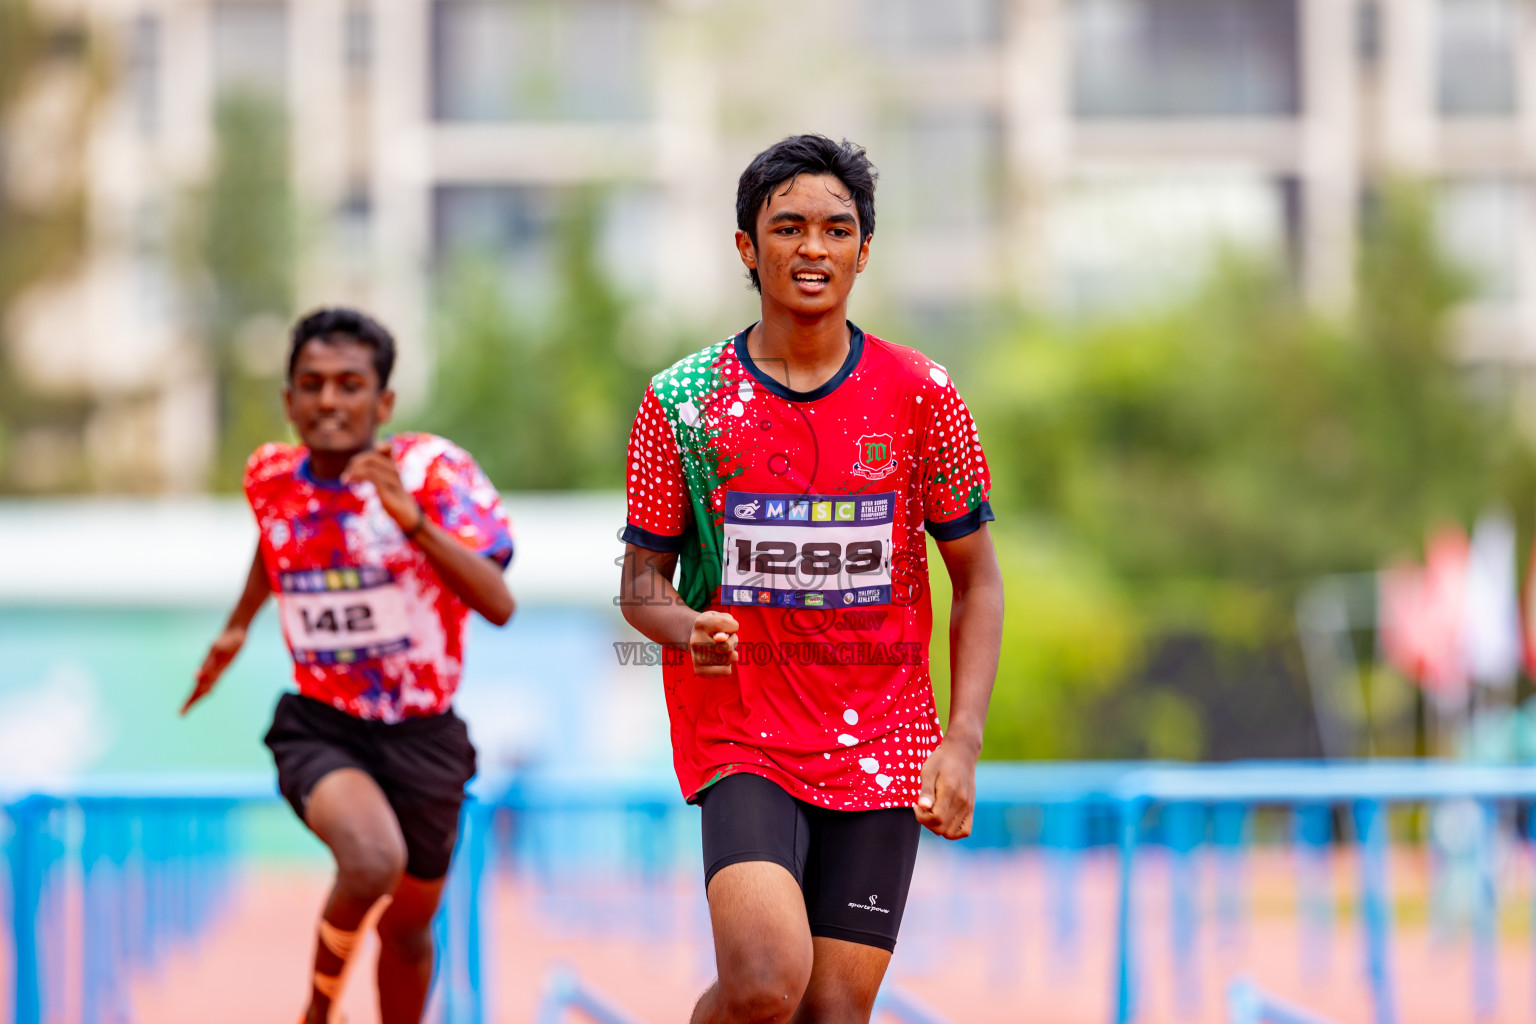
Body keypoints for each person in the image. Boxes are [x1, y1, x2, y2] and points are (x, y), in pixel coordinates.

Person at [618, 135, 1004, 1024]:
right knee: (763, 983)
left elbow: (978, 583)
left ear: (864, 250)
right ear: (748, 247)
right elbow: (642, 582)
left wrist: (964, 742)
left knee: (830, 1012)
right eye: (787, 226)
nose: (813, 248)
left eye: (836, 229)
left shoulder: (922, 395)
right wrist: (685, 627)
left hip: (884, 740)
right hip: (743, 730)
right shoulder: (684, 400)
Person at [183, 307, 515, 1024]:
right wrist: (237, 627)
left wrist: (412, 522)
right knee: (370, 861)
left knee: (406, 929)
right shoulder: (271, 476)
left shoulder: (431, 473)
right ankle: (317, 1012)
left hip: (424, 735)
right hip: (322, 724)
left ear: (382, 401)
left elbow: (499, 604)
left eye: (349, 384)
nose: (329, 401)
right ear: (289, 400)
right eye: (312, 384)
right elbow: (278, 543)